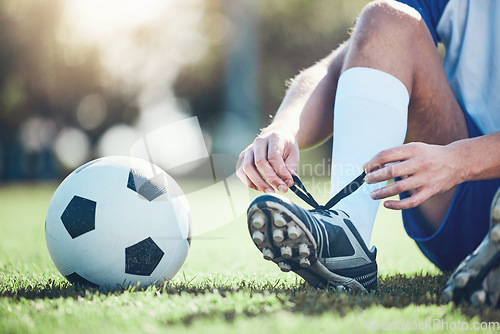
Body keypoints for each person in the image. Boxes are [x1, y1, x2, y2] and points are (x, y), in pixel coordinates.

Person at [236, 0, 500, 306]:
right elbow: (335, 68)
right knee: (386, 18)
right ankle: (349, 236)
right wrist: (283, 128)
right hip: (462, 200)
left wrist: (461, 161)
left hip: (460, 165)